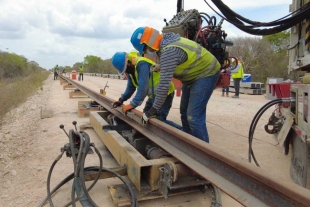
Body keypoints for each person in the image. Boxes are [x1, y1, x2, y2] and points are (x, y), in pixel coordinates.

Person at [130, 26, 220, 143]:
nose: (147, 51)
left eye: (145, 48)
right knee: (184, 111)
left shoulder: (168, 51)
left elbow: (163, 86)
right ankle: (189, 143)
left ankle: (205, 154)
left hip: (206, 73)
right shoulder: (167, 42)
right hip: (194, 76)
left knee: (193, 116)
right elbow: (177, 59)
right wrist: (160, 67)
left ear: (148, 43)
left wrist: (151, 111)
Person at [111, 51, 182, 130]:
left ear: (129, 62)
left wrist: (132, 104)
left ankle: (184, 133)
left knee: (159, 120)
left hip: (164, 93)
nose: (127, 72)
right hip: (153, 95)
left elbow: (143, 87)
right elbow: (131, 87)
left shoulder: (142, 64)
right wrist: (121, 100)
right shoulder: (131, 70)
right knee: (145, 116)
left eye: (126, 69)